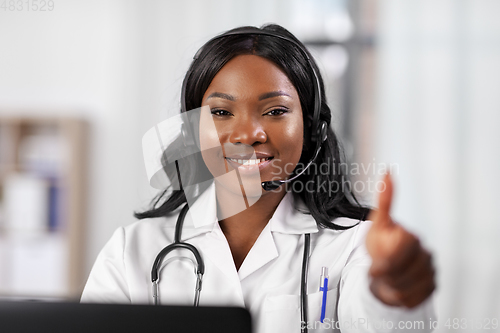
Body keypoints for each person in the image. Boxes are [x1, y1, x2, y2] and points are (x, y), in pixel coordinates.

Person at [81, 24, 436, 332]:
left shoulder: (355, 245)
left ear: (312, 128)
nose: (248, 134)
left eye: (275, 111)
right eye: (220, 112)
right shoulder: (131, 251)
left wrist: (389, 293)